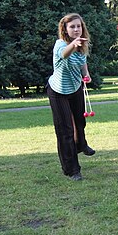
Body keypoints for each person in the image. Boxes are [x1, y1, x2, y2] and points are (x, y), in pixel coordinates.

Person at [46, 13, 95, 182]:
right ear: (65, 30)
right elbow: (65, 55)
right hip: (58, 92)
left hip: (75, 88)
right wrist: (74, 44)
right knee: (65, 131)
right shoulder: (60, 44)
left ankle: (81, 144)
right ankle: (72, 169)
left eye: (78, 26)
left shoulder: (82, 46)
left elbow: (82, 62)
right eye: (72, 27)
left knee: (80, 122)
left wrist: (86, 74)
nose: (76, 29)